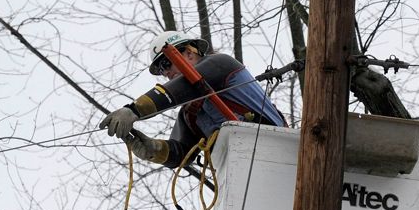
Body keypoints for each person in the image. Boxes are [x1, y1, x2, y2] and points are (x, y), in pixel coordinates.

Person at [100, 30, 286, 165]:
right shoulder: (191, 113)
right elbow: (182, 152)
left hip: (276, 147)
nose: (166, 73)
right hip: (236, 166)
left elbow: (182, 87)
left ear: (189, 52)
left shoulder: (221, 64)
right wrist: (153, 150)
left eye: (166, 63)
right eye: (161, 70)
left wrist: (133, 110)